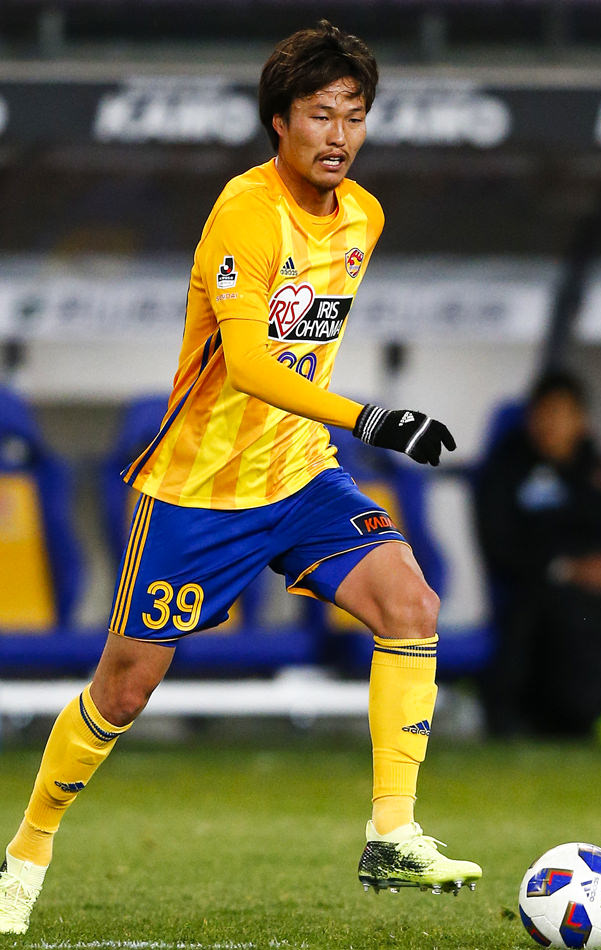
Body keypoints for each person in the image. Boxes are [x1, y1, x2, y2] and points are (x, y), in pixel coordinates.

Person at [0, 21, 480, 935]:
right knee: (123, 691)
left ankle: (393, 833)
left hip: (300, 476)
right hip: (202, 493)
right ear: (279, 121)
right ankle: (25, 853)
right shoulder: (245, 213)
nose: (338, 135)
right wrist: (372, 419)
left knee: (411, 604)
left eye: (355, 116)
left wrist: (335, 433)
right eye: (320, 115)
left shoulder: (365, 217)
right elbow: (253, 364)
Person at [474, 370, 601, 735]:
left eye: (561, 414)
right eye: (543, 413)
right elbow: (500, 546)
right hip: (543, 592)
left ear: (581, 420)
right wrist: (565, 569)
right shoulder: (505, 473)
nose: (551, 424)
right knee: (541, 620)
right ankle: (545, 717)